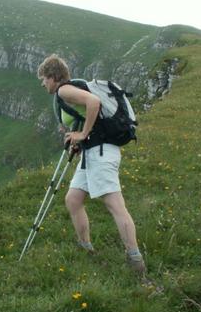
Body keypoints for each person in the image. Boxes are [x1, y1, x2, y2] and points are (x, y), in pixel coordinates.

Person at [37, 54, 149, 281]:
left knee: (115, 205)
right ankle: (85, 247)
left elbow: (94, 104)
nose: (43, 84)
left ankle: (136, 261)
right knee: (73, 199)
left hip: (101, 153)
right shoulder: (72, 89)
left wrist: (83, 134)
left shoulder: (63, 90)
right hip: (93, 152)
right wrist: (80, 142)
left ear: (53, 76)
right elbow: (90, 113)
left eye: (44, 79)